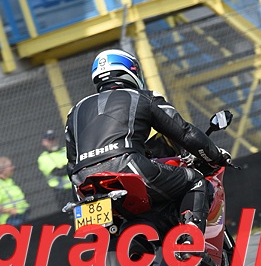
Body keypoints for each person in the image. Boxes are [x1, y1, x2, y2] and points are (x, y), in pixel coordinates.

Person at [65, 48, 230, 244]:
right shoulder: (142, 97)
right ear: (131, 71)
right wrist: (215, 156)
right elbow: (184, 133)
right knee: (195, 180)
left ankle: (105, 248)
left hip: (83, 181)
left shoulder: (74, 111)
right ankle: (189, 242)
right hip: (128, 166)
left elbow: (71, 163)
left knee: (102, 224)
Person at [0, 157, 30, 227]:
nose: (13, 167)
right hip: (11, 219)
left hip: (22, 215)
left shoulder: (9, 181)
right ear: (2, 169)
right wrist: (9, 211)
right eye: (10, 166)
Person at [37, 129, 74, 209]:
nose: (52, 142)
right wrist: (70, 165)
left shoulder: (66, 149)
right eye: (49, 140)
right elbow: (57, 172)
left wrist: (65, 167)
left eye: (53, 139)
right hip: (62, 192)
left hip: (76, 185)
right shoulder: (43, 158)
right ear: (44, 142)